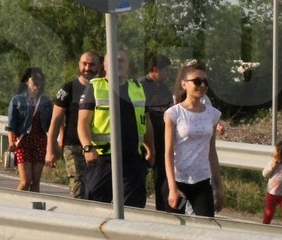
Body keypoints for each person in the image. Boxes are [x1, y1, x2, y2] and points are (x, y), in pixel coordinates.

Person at [77, 50, 154, 207]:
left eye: (121, 61)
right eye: (113, 60)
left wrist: (151, 149)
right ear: (104, 65)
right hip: (103, 159)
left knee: (133, 210)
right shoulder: (95, 87)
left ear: (128, 66)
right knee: (96, 209)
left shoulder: (137, 88)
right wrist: (87, 147)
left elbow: (146, 121)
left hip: (132, 159)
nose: (117, 64)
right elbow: (82, 122)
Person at [163, 63, 225, 217]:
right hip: (178, 181)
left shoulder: (213, 114)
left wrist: (219, 187)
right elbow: (168, 153)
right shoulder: (174, 113)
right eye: (197, 81)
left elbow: (212, 152)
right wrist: (172, 189)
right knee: (175, 233)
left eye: (205, 81)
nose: (202, 85)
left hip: (202, 181)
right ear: (184, 84)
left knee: (205, 230)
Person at [46, 52, 103, 199]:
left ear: (100, 66)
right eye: (84, 63)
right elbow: (56, 120)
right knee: (78, 184)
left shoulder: (103, 90)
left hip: (98, 146)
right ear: (79, 64)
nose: (87, 68)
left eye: (92, 64)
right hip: (73, 146)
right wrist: (50, 149)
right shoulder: (68, 88)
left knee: (96, 187)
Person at [5, 67, 52, 192]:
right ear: (27, 81)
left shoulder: (46, 101)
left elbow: (53, 123)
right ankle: (15, 206)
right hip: (22, 142)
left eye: (39, 79)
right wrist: (11, 142)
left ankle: (34, 210)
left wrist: (54, 145)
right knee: (26, 181)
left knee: (36, 182)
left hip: (40, 142)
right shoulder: (17, 100)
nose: (37, 81)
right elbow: (11, 124)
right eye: (34, 78)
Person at [140, 53, 174, 211]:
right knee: (138, 179)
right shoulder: (140, 86)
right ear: (156, 70)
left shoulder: (166, 89)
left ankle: (163, 211)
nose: (168, 74)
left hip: (162, 141)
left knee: (162, 179)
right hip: (143, 141)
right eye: (166, 71)